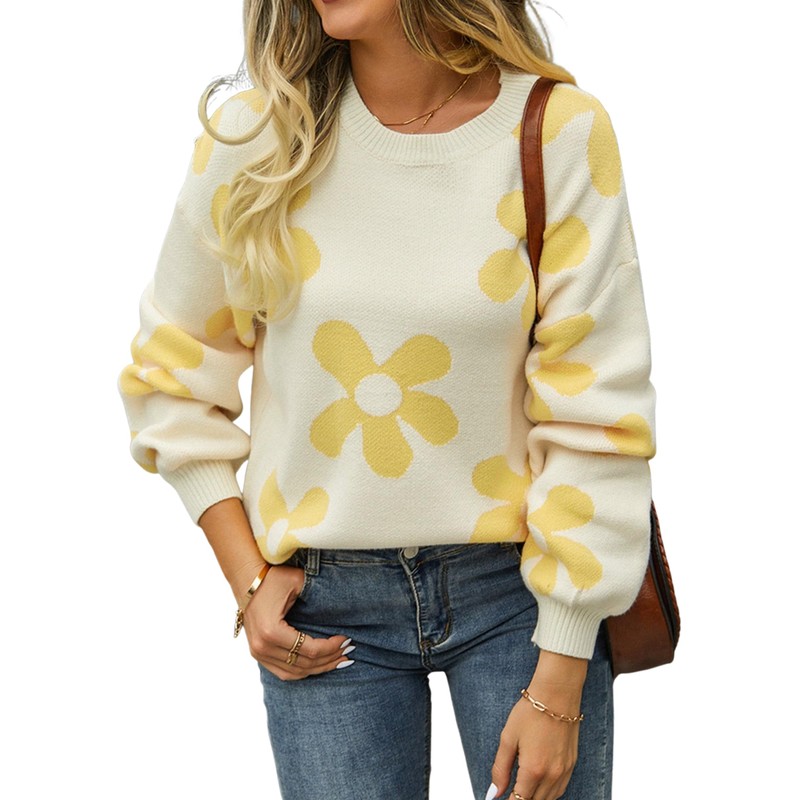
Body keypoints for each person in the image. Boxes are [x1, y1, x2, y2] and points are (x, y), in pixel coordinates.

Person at [118, 1, 656, 798]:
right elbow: (172, 374)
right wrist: (248, 581)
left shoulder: (557, 133)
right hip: (322, 606)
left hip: (521, 597)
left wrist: (564, 665)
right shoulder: (257, 139)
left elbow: (597, 413)